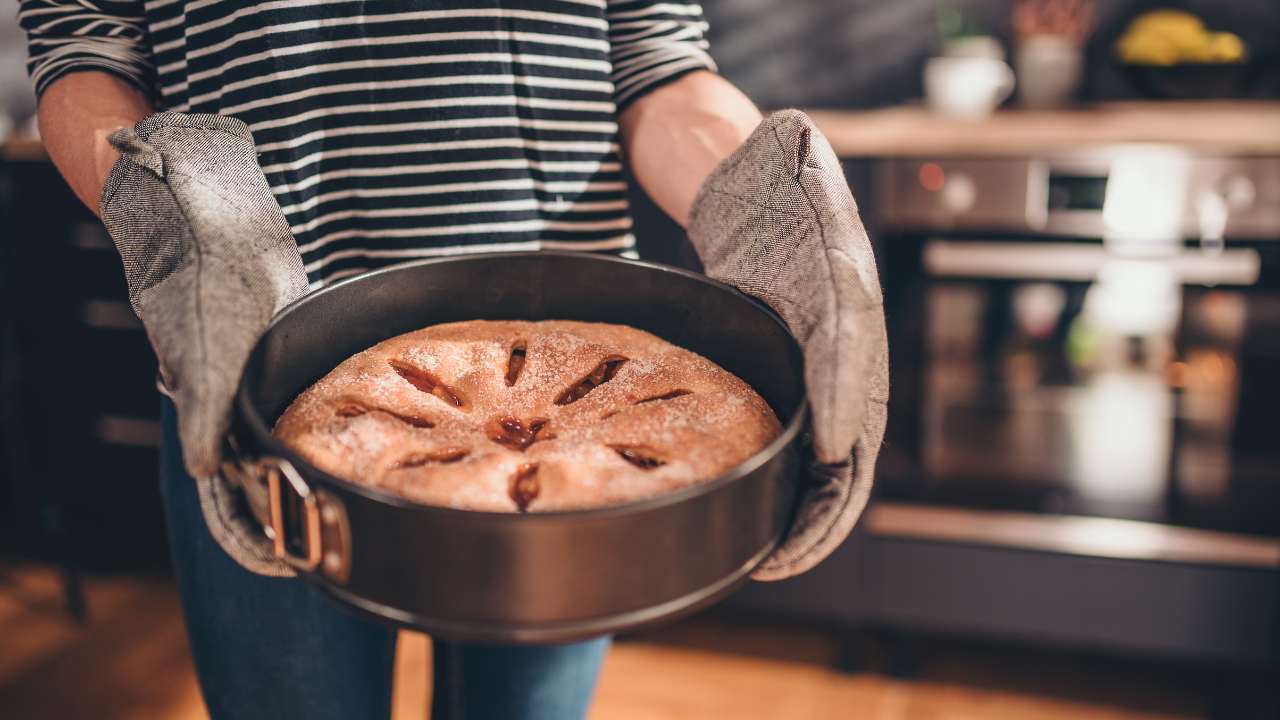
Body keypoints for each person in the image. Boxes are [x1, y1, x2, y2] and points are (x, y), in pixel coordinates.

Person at [18, 1, 888, 718]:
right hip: (247, 362)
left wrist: (771, 214)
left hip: (584, 393)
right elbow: (85, 54)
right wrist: (178, 221)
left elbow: (660, 69)